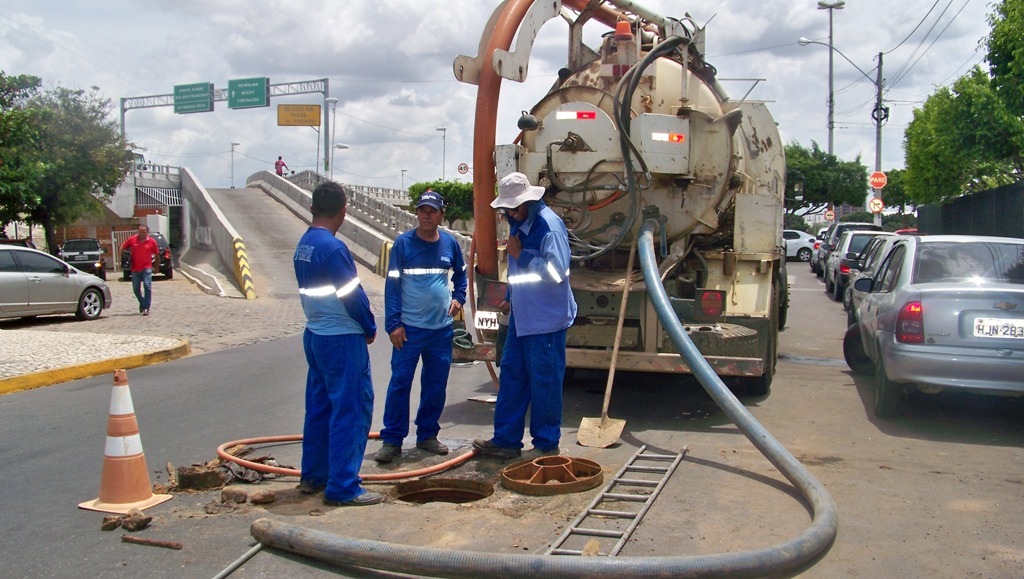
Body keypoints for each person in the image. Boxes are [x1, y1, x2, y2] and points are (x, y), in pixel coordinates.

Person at [473, 172, 577, 458]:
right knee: (512, 377)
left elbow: (556, 273)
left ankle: (546, 445)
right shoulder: (519, 223)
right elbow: (518, 272)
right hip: (522, 317)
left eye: (513, 207)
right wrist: (510, 297)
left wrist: (523, 255)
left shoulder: (548, 227)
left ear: (528, 202)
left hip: (545, 322)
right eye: (506, 209)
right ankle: (506, 440)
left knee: (544, 384)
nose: (509, 213)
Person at [292, 181, 381, 506]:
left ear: (312, 208)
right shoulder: (333, 248)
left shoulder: (304, 244)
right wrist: (369, 326)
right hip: (342, 338)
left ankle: (314, 476)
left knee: (319, 408)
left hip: (316, 335)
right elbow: (351, 296)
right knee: (351, 409)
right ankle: (343, 486)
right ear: (343, 211)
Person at [374, 190, 468, 463]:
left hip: (441, 330)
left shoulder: (450, 244)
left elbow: (461, 276)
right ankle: (392, 440)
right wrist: (394, 324)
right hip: (409, 330)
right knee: (400, 383)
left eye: (432, 211)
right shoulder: (403, 244)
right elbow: (392, 286)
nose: (426, 215)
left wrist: (459, 298)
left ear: (441, 215)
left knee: (435, 385)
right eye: (422, 210)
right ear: (416, 214)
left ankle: (427, 435)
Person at [120, 225, 159, 316]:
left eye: (144, 232)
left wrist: (156, 267)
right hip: (135, 268)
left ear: (147, 232)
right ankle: (142, 302)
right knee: (136, 289)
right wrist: (123, 259)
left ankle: (146, 307)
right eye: (140, 232)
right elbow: (122, 247)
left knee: (147, 286)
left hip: (147, 267)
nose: (142, 234)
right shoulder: (132, 240)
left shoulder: (151, 241)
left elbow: (156, 254)